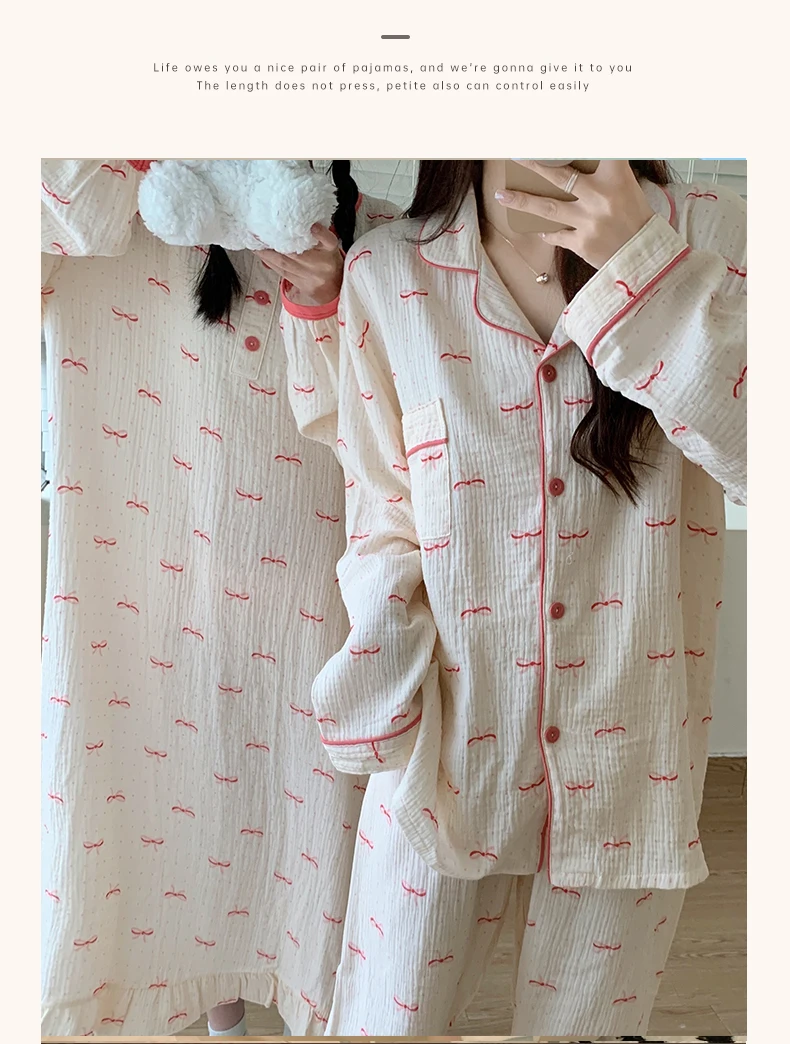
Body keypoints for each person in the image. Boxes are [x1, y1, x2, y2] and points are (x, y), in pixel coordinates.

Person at [279, 159, 746, 1035]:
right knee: (385, 1019)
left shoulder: (716, 235)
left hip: (630, 764)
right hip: (442, 750)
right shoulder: (391, 273)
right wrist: (378, 666)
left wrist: (644, 270)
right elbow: (382, 500)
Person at [39, 159, 398, 1037]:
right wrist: (129, 150)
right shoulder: (98, 220)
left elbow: (406, 434)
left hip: (311, 590)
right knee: (162, 784)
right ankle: (211, 997)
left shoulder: (377, 237)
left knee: (289, 798)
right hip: (139, 581)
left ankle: (268, 982)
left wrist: (333, 299)